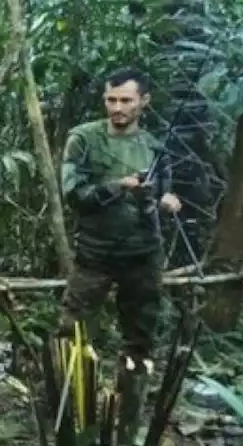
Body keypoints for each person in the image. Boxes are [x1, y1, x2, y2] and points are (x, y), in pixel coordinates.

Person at [59, 68, 181, 364]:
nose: (117, 108)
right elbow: (74, 194)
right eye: (111, 100)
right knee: (72, 334)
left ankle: (130, 402)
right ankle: (70, 400)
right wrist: (118, 186)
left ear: (144, 101)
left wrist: (168, 201)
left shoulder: (154, 146)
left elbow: (163, 192)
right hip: (95, 252)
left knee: (141, 340)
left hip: (143, 253)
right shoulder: (84, 139)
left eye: (126, 100)